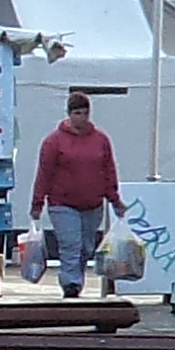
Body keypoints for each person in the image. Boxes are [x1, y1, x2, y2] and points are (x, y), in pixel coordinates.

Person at [29, 90, 125, 298]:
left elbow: (108, 170)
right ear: (69, 114)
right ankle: (71, 283)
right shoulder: (54, 142)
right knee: (70, 244)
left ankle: (76, 277)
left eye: (85, 113)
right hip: (62, 203)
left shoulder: (101, 140)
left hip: (93, 203)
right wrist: (38, 203)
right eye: (77, 113)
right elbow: (44, 173)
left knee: (86, 247)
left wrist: (115, 199)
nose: (81, 118)